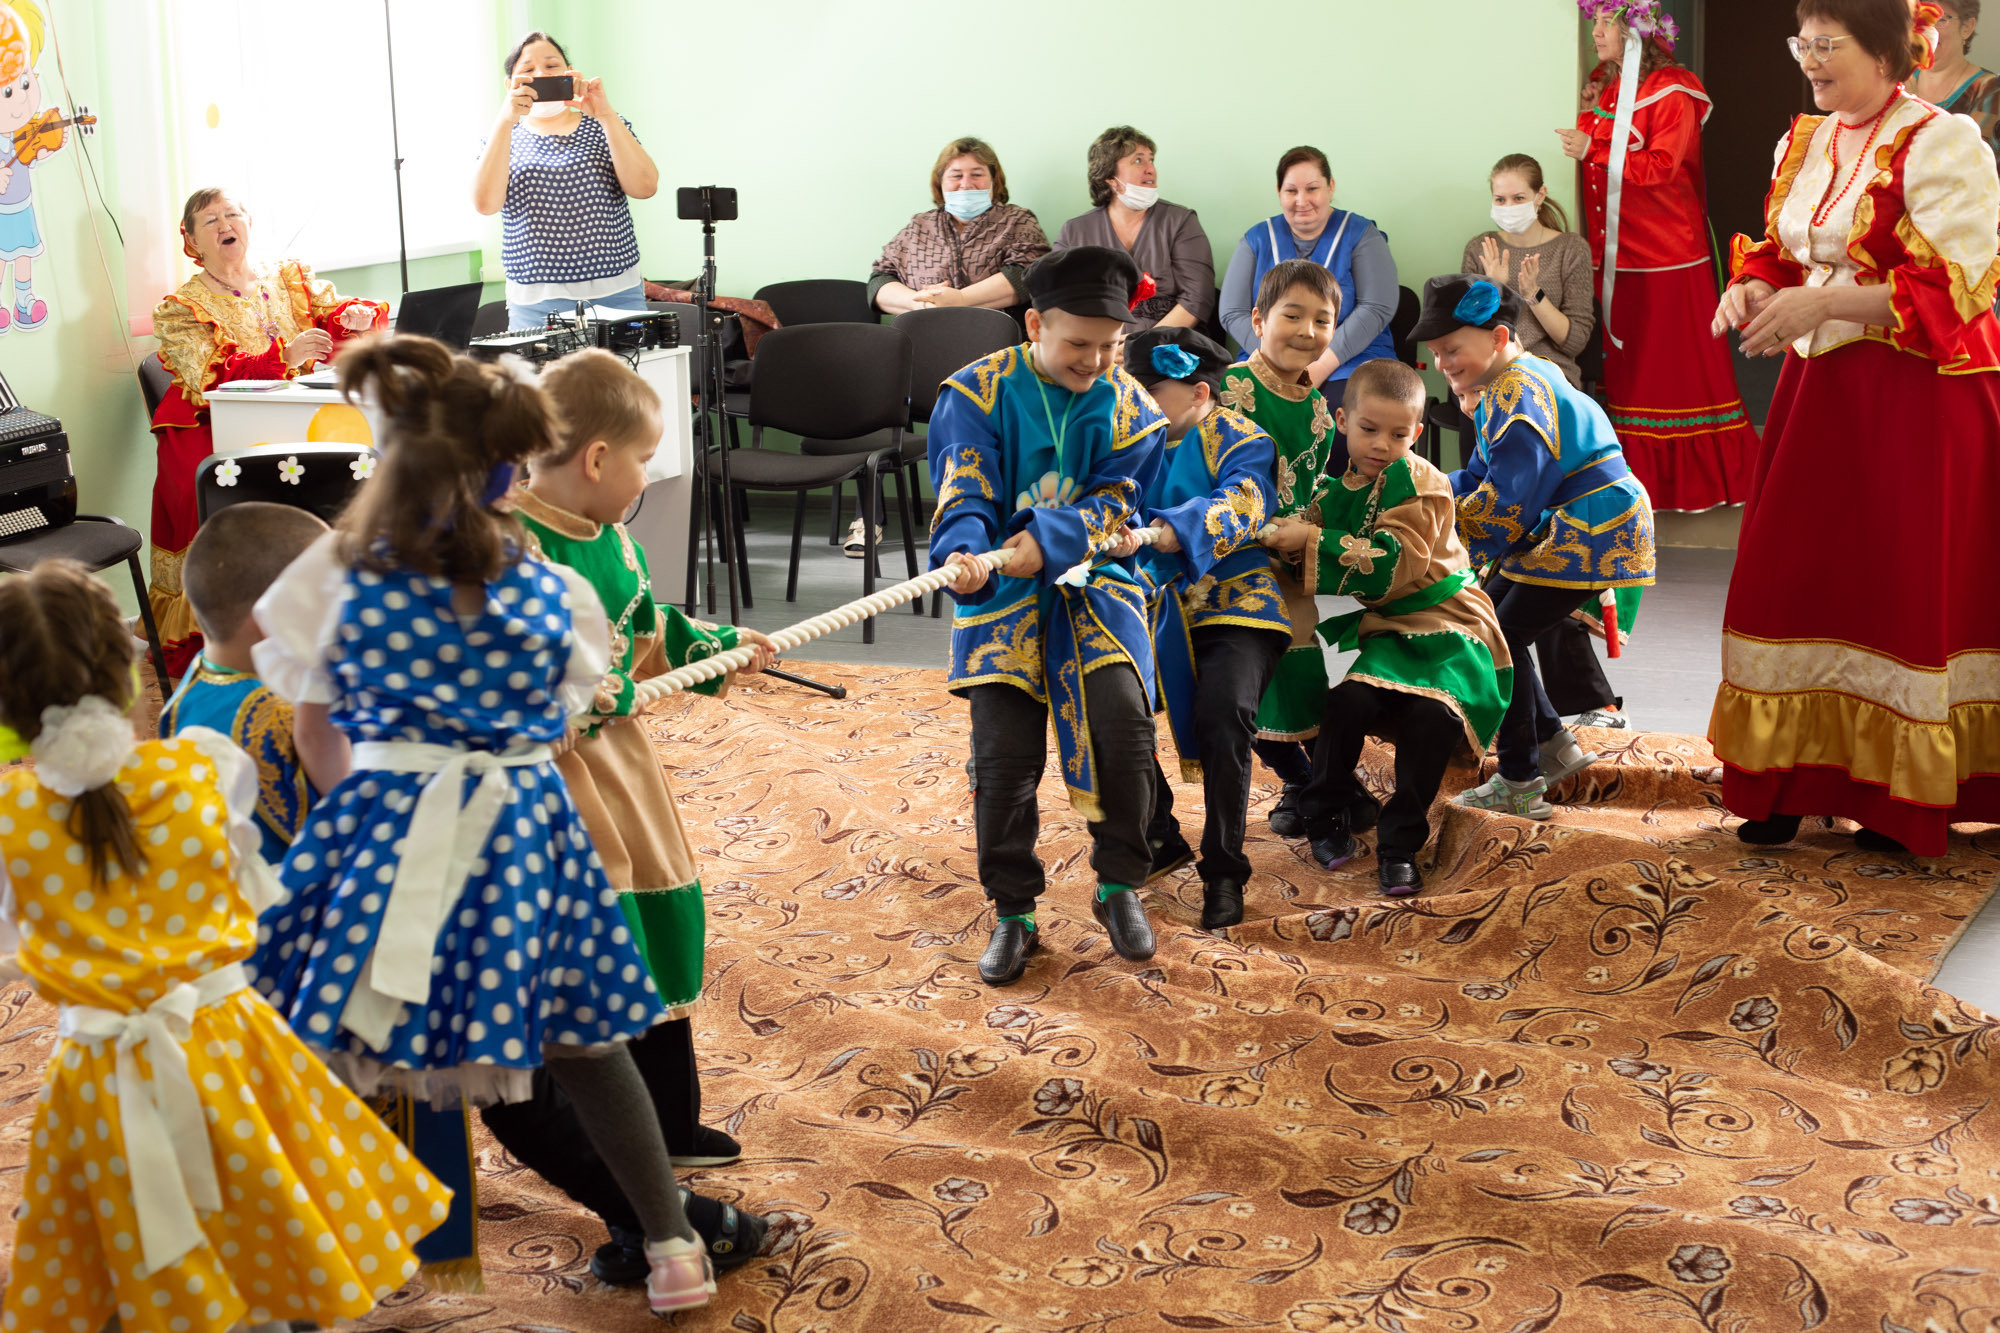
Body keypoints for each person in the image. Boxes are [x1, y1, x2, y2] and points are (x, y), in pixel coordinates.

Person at [248, 335, 713, 1314]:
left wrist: (368, 812)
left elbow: (314, 722)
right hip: (521, 837)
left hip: (384, 825)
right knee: (585, 1041)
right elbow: (564, 711)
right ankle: (672, 1243)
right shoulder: (551, 591)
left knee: (340, 1028)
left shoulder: (336, 575)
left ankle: (330, 1246)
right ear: (508, 473)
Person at [0, 558, 450, 1333]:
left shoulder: (10, 816)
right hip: (234, 1046)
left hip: (103, 1075)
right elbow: (249, 893)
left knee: (136, 1238)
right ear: (126, 667)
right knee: (265, 1205)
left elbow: (12, 944)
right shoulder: (205, 767)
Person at [488, 348, 775, 1285]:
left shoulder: (612, 539)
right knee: (602, 951)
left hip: (623, 770)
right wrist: (589, 696)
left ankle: (671, 1120)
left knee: (662, 916)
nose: (651, 478)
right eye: (647, 459)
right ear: (600, 456)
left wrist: (717, 646)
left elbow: (648, 630)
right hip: (559, 787)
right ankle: (633, 1184)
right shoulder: (511, 544)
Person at [160, 500, 489, 1291]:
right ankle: (375, 1238)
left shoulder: (188, 690)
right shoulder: (281, 718)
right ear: (277, 627)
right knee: (380, 1102)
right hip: (324, 958)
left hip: (233, 958)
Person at [1710, 0, 2000, 856]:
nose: (1809, 60)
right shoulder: (1803, 138)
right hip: (1821, 393)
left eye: (1827, 45)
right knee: (1793, 575)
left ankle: (1895, 792)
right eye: (1802, 42)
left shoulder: (1944, 143)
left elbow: (1954, 288)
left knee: (1894, 590)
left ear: (1889, 50)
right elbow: (1780, 248)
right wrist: (1753, 287)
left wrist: (1822, 299)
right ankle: (1785, 777)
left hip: (1916, 400)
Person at [928, 246, 1167, 988]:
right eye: (1077, 343)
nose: (1095, 361)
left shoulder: (1135, 410)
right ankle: (1013, 910)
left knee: (1125, 731)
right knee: (1002, 762)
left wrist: (1054, 539)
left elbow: (1120, 500)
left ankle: (1118, 884)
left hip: (1098, 586)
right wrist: (969, 550)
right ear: (1034, 323)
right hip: (1002, 592)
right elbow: (963, 484)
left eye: (1110, 345)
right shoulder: (973, 391)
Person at [1262, 360, 1513, 898]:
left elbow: (1394, 561)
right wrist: (1271, 541)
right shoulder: (1329, 494)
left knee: (1432, 712)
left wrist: (1305, 540)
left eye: (1399, 434)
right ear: (1341, 421)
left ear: (1417, 433)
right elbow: (1302, 555)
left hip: (1448, 625)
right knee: (1348, 698)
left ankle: (1401, 843)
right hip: (1382, 629)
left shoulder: (1421, 480)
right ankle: (1325, 817)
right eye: (1368, 429)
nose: (1381, 444)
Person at [1418, 276, 1655, 820]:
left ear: (1498, 336)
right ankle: (1552, 745)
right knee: (1492, 624)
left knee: (1490, 636)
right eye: (1435, 353)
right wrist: (1424, 487)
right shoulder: (1514, 378)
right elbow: (1481, 473)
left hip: (1589, 524)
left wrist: (1442, 545)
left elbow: (1507, 504)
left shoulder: (1517, 393)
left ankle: (1521, 777)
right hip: (1580, 519)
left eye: (1451, 349)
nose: (1441, 363)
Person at [149, 187, 386, 676]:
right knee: (212, 486)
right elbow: (206, 376)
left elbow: (330, 314)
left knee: (352, 459)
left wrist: (351, 317)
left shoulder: (286, 277)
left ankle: (330, 605)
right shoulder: (182, 306)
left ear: (249, 223)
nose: (224, 224)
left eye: (232, 214)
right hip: (207, 422)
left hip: (288, 408)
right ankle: (230, 625)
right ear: (193, 241)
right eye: (209, 221)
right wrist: (286, 357)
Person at [1116, 326, 1288, 930]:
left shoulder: (1243, 439)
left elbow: (1245, 502)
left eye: (1147, 391)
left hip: (1236, 601)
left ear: (1198, 393)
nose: (1131, 401)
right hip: (1142, 604)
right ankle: (1160, 832)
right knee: (1108, 706)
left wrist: (1166, 531)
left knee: (1223, 711)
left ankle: (1224, 867)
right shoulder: (1123, 442)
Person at [1560, 0, 1760, 512]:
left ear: (1636, 29)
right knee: (1631, 374)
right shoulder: (1603, 85)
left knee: (1675, 375)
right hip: (1615, 257)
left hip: (1669, 259)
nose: (1596, 32)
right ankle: (1636, 484)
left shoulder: (1674, 88)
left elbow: (1665, 166)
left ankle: (1701, 483)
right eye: (1595, 21)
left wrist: (1593, 150)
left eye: (1606, 21)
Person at [1462, 154, 1632, 733]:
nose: (1506, 209)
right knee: (1518, 587)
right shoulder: (1480, 247)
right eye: (1498, 197)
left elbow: (1575, 337)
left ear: (1539, 196)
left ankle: (1555, 729)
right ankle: (1551, 726)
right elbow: (1471, 329)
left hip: (1548, 394)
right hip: (1492, 386)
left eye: (1516, 197)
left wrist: (1526, 293)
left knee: (1524, 582)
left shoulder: (1569, 251)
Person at [1214, 260, 1346, 837]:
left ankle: (1321, 779)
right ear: (1258, 320)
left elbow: (1314, 487)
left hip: (1296, 554)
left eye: (1323, 320)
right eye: (1292, 315)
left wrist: (1313, 538)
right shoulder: (1227, 390)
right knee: (1284, 649)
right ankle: (1306, 781)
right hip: (1231, 555)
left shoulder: (1317, 408)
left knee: (1343, 637)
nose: (1307, 332)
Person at [472, 30, 659, 330]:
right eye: (528, 70)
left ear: (570, 74)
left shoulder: (606, 125)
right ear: (510, 85)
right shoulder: (501, 137)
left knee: (621, 378)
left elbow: (645, 187)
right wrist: (505, 121)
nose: (541, 75)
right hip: (535, 302)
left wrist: (605, 114)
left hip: (617, 293)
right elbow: (485, 204)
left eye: (551, 66)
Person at [1218, 146, 1400, 399]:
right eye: (1291, 190)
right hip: (1266, 359)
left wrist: (1320, 365)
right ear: (1279, 192)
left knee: (1345, 421)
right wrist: (1276, 357)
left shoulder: (1361, 234)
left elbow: (1376, 307)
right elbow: (1232, 312)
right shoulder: (1256, 239)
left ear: (1330, 187)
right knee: (1246, 425)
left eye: (1312, 189)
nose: (1301, 201)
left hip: (1350, 361)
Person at [1054, 126, 1216, 333]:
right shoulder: (1074, 232)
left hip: (1167, 345)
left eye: (1152, 160)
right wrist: (1102, 346)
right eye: (1138, 160)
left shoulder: (1181, 221)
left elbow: (1197, 299)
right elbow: (1058, 301)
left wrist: (1144, 343)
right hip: (1094, 346)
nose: (1150, 169)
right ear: (1110, 178)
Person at [869, 136, 1052, 318]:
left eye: (977, 174)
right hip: (922, 335)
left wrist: (960, 299)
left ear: (994, 180)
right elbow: (880, 279)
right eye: (956, 175)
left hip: (1000, 338)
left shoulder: (1018, 220)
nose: (966, 184)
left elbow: (1027, 275)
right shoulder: (919, 226)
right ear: (940, 182)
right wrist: (917, 303)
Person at [1916, 1, 2000, 159]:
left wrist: (1913, 108)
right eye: (1921, 18)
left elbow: (1971, 161)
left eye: (1940, 20)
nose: (1927, 29)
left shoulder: (1990, 90)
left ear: (1967, 28)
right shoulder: (1898, 78)